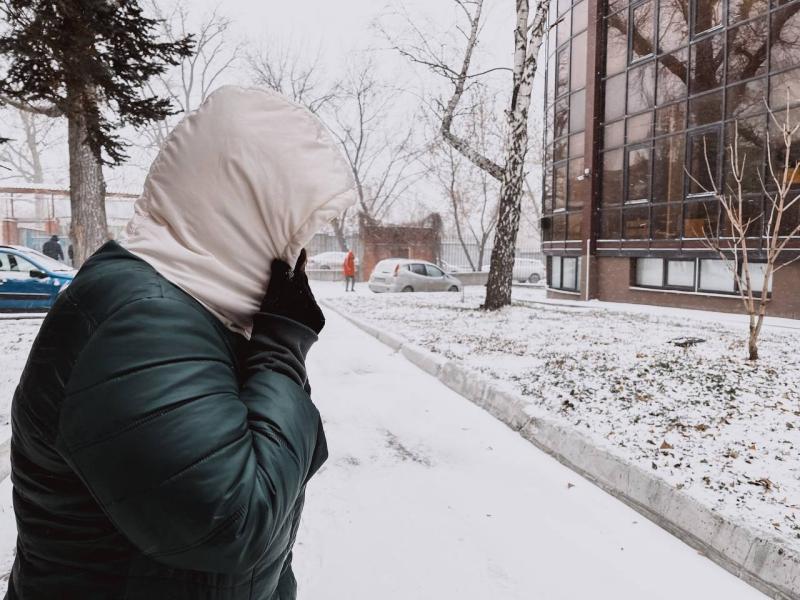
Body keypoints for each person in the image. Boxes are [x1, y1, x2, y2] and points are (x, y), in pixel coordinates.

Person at [6, 86, 356, 600]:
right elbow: (233, 525)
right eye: (292, 228)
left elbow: (286, 466)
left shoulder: (203, 310)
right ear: (245, 209)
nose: (296, 251)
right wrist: (281, 355)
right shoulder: (136, 319)